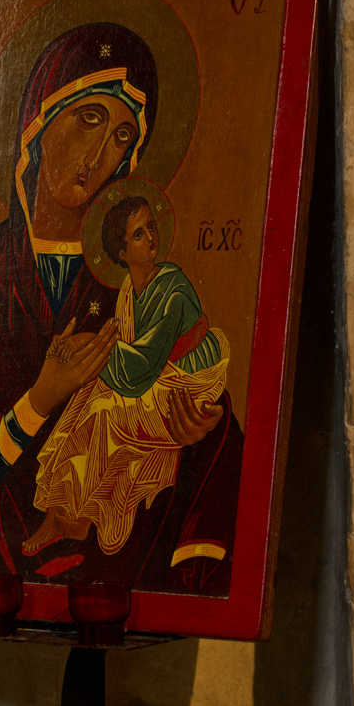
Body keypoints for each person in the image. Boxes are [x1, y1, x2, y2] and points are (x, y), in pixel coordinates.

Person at [0, 17, 241, 590]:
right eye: (89, 118)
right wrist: (39, 400)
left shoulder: (133, 288)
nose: (99, 153)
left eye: (121, 136)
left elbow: (198, 424)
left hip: (109, 576)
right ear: (37, 124)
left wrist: (193, 433)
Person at [24, 191, 228, 559]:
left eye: (150, 227)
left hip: (186, 383)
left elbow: (141, 367)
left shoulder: (173, 287)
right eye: (138, 234)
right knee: (84, 398)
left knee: (103, 411)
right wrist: (84, 350)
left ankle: (81, 519)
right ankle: (58, 514)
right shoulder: (129, 293)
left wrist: (89, 342)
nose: (150, 238)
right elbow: (125, 352)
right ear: (121, 252)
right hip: (157, 376)